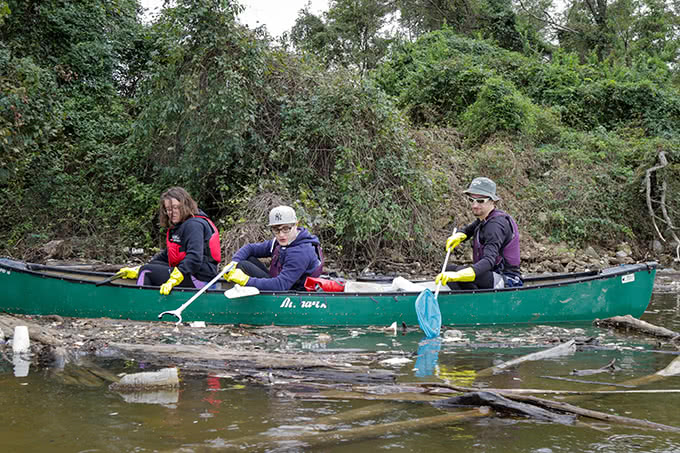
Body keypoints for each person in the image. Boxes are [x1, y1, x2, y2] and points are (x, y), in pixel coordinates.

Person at [116, 187, 221, 294]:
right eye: (168, 209)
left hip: (201, 281)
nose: (172, 213)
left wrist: (175, 278)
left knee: (146, 272)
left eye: (176, 208)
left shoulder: (194, 225)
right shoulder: (180, 226)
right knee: (147, 267)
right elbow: (166, 256)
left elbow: (194, 258)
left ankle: (141, 307)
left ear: (185, 206)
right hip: (190, 276)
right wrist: (138, 268)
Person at [435, 177, 522, 290]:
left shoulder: (495, 226)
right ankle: (468, 297)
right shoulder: (485, 218)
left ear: (493, 201)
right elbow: (469, 229)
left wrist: (459, 275)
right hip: (490, 274)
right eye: (471, 200)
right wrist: (459, 235)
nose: (475, 205)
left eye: (481, 201)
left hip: (507, 279)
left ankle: (473, 300)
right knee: (445, 269)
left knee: (459, 273)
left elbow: (489, 261)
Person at [223, 205, 323, 291]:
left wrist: (246, 280)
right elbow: (250, 248)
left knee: (244, 266)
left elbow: (280, 285)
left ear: (296, 225)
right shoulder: (279, 242)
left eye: (286, 228)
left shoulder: (301, 252)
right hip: (278, 283)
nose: (281, 235)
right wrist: (234, 262)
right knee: (245, 260)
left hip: (290, 294)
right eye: (276, 229)